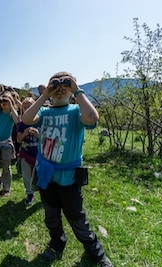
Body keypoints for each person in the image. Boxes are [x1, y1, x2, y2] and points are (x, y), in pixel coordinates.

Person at [22, 72, 113, 267]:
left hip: (69, 177)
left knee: (76, 217)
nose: (60, 88)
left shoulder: (75, 111)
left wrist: (77, 90)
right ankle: (57, 244)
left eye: (65, 84)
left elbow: (91, 117)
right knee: (51, 215)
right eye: (55, 84)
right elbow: (26, 118)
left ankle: (96, 253)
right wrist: (46, 94)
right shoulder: (45, 112)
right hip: (47, 175)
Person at [16, 97, 39, 206]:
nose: (27, 109)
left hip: (40, 155)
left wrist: (39, 135)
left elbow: (49, 138)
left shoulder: (40, 120)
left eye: (30, 107)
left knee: (41, 176)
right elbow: (18, 139)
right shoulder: (22, 123)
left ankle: (46, 194)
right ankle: (30, 194)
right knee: (26, 176)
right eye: (25, 107)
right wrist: (25, 133)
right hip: (26, 154)